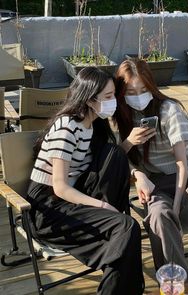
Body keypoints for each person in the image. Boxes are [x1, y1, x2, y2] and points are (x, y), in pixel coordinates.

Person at [26, 66, 145, 295]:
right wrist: (103, 206)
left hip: (74, 198)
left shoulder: (93, 125)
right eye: (108, 97)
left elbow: (108, 165)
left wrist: (130, 147)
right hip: (49, 208)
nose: (114, 103)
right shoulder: (67, 127)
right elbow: (59, 187)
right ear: (90, 100)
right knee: (127, 229)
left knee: (116, 155)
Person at [114, 59, 188, 280]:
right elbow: (116, 159)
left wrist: (176, 209)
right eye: (130, 91)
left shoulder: (169, 109)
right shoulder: (120, 117)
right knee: (158, 214)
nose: (138, 96)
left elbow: (181, 164)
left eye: (143, 89)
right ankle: (177, 283)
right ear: (121, 92)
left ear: (151, 86)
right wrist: (136, 168)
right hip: (156, 185)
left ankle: (177, 216)